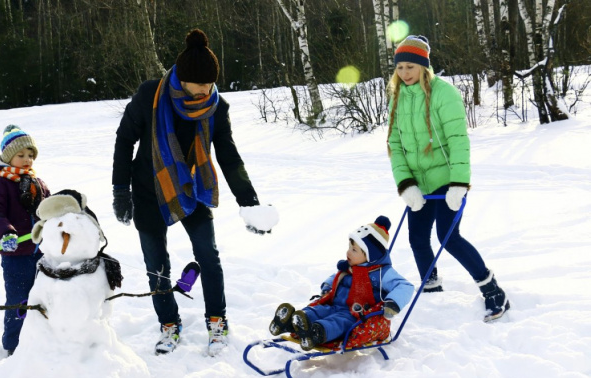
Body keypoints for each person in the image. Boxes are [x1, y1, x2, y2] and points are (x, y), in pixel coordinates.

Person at [111, 29, 277, 356]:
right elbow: (123, 140)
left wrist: (250, 203)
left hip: (191, 188)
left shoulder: (216, 107)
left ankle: (217, 320)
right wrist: (121, 189)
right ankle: (168, 324)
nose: (206, 89)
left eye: (210, 83)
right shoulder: (150, 96)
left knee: (208, 256)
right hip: (148, 189)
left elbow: (228, 156)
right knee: (156, 264)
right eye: (199, 83)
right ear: (182, 79)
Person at [386, 35, 510, 322]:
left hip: (446, 180)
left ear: (424, 67)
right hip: (419, 184)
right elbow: (394, 144)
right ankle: (431, 288)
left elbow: (458, 141)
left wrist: (458, 184)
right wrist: (406, 184)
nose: (405, 73)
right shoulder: (397, 96)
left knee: (447, 236)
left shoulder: (444, 93)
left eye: (411, 67)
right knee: (417, 237)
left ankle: (493, 291)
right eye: (400, 67)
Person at [268, 216, 414, 351]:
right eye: (349, 247)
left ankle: (317, 333)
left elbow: (405, 286)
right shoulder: (351, 266)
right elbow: (337, 276)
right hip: (335, 305)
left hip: (355, 314)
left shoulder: (382, 273)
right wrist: (328, 285)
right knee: (319, 311)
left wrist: (392, 303)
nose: (348, 253)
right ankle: (292, 322)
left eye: (354, 250)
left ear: (370, 256)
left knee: (338, 322)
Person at [0, 125, 51, 355]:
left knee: (45, 297)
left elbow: (50, 209)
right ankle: (13, 346)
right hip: (16, 257)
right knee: (19, 301)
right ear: (8, 157)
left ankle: (44, 340)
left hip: (43, 253)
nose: (27, 159)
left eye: (31, 155)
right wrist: (5, 233)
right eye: (21, 155)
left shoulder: (38, 183)